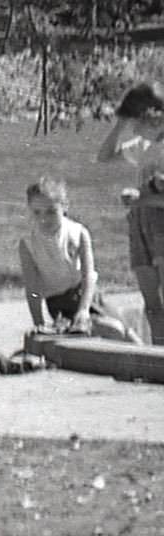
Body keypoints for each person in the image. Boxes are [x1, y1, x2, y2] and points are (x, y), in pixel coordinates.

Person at [18, 177, 135, 342]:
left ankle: (154, 362)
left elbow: (88, 276)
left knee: (125, 330)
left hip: (86, 296)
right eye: (37, 212)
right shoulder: (28, 244)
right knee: (109, 330)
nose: (44, 219)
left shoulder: (77, 233)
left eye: (51, 211)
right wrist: (38, 322)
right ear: (30, 210)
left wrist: (84, 309)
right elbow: (32, 288)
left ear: (64, 207)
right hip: (59, 302)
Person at [96, 81, 164, 344]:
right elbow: (104, 156)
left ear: (155, 118)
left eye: (136, 122)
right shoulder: (143, 146)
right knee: (151, 302)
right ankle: (159, 356)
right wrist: (120, 124)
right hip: (141, 223)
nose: (133, 129)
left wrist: (142, 198)